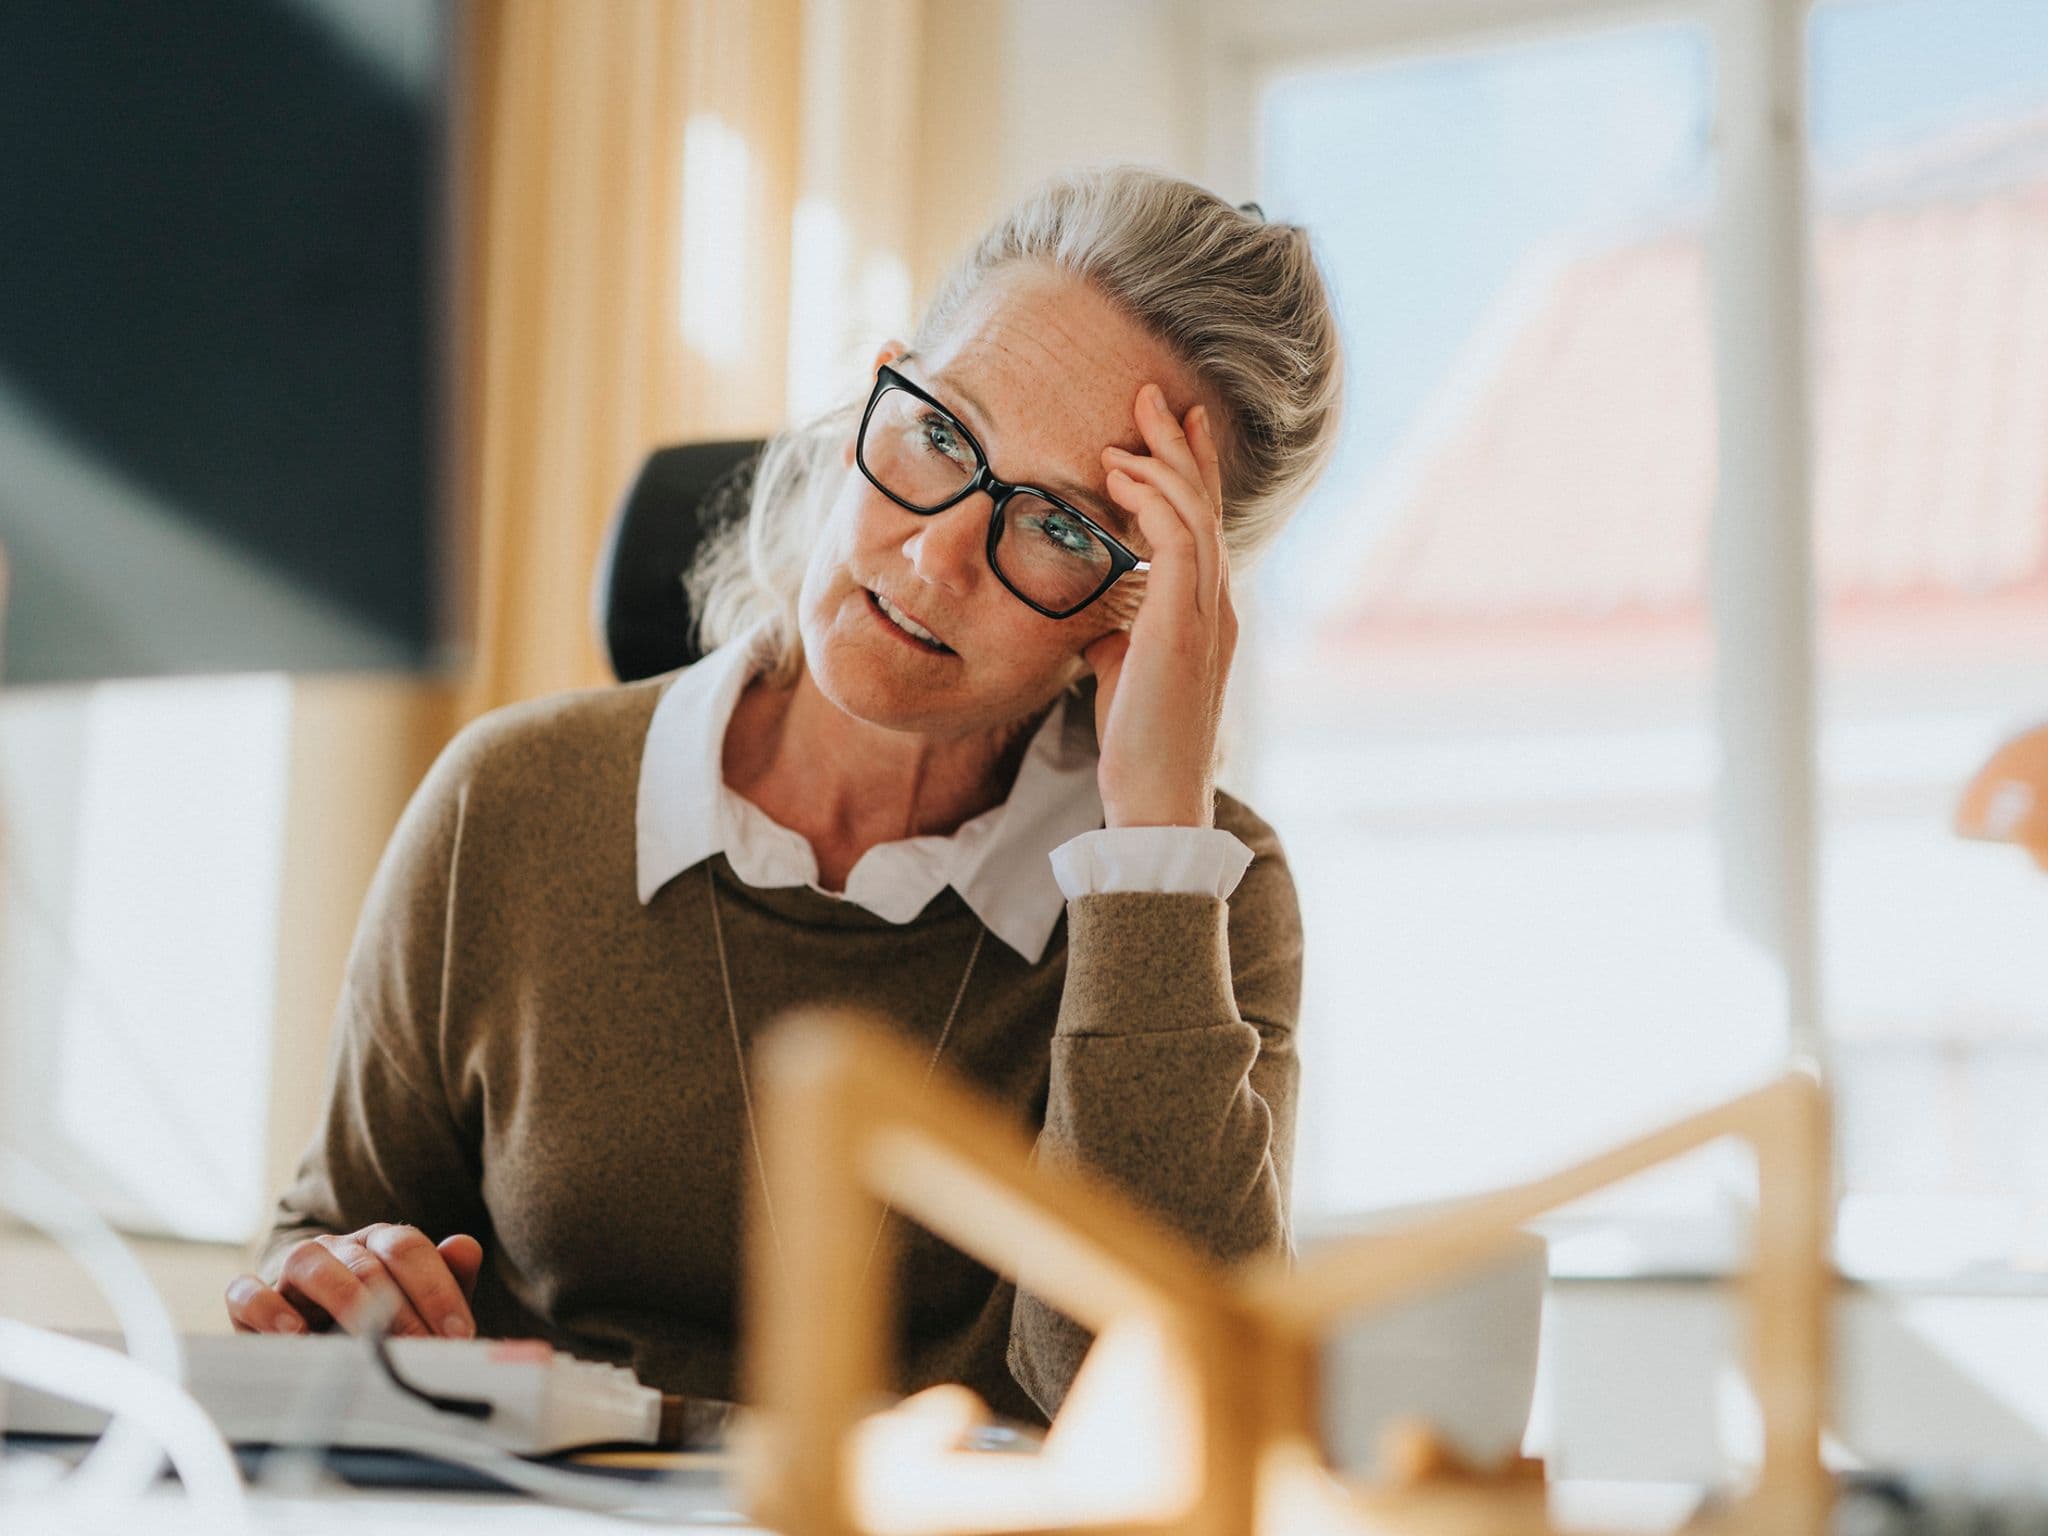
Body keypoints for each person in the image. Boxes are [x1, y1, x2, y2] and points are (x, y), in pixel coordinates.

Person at [225, 166, 1342, 1428]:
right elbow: (330, 1251)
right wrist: (330, 1291)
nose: (934, 556)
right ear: (875, 388)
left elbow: (1168, 1413)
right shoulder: (509, 799)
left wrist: (1149, 843)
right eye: (936, 432)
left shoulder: (1200, 886)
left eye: (1066, 529)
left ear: (1151, 606)